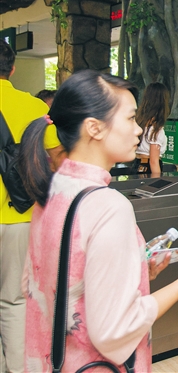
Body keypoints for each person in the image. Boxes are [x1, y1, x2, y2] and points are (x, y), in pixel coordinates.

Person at [17, 69, 178, 372]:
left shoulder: (51, 190)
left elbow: (53, 283)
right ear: (94, 127)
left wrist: (137, 269)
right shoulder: (109, 206)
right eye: (130, 118)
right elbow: (114, 331)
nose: (138, 130)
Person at [0, 40, 63, 373]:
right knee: (13, 301)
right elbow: (57, 156)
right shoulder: (32, 106)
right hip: (19, 216)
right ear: (12, 69)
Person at [135, 82, 170, 176]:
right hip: (149, 168)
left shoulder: (140, 123)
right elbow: (153, 161)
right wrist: (157, 181)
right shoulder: (155, 128)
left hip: (138, 165)